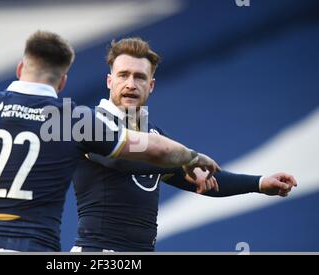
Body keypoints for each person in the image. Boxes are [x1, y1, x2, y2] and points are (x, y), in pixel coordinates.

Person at [0, 31, 221, 252]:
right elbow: (152, 148)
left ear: (20, 67)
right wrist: (191, 157)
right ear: (63, 80)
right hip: (39, 247)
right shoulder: (70, 120)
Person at [71, 37, 298, 252]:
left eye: (139, 77)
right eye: (123, 75)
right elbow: (121, 160)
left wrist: (259, 183)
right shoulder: (91, 123)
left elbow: (204, 178)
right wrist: (181, 161)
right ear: (110, 81)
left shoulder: (155, 136)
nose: (130, 84)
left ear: (151, 85)